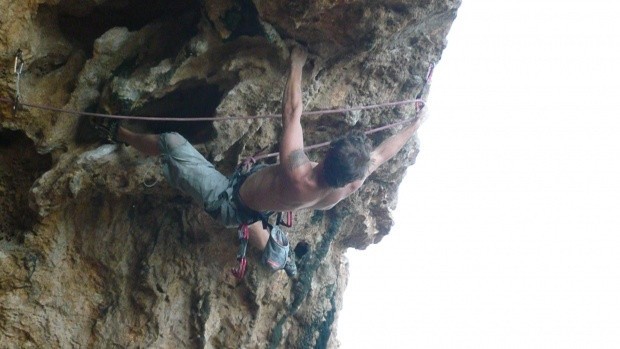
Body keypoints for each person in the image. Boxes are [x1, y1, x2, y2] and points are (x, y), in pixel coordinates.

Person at [93, 46, 427, 276]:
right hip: (257, 205)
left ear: (326, 156)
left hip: (226, 200)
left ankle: (117, 133)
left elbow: (292, 112)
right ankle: (276, 250)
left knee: (171, 143)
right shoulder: (347, 186)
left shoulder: (298, 171)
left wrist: (296, 63)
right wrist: (414, 126)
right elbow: (381, 155)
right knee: (255, 215)